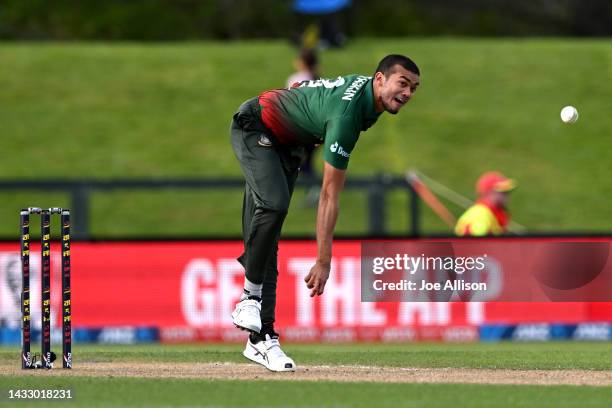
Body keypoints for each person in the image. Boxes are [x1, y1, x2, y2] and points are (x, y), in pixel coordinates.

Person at [230, 54, 420, 371]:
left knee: (269, 234)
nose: (408, 93)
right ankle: (249, 299)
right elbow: (329, 194)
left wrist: (308, 122)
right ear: (379, 79)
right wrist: (323, 259)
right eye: (403, 83)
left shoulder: (369, 102)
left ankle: (261, 340)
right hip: (256, 125)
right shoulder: (349, 115)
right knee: (274, 206)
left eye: (414, 88)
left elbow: (312, 90)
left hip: (288, 144)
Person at [286, 48, 321, 207]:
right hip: (317, 128)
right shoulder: (319, 80)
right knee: (307, 161)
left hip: (302, 128)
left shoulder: (296, 79)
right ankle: (315, 190)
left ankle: (315, 189)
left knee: (300, 162)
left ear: (301, 62)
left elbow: (289, 104)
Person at [455, 171, 516, 236]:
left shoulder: (495, 211)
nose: (506, 195)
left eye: (508, 192)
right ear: (489, 193)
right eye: (503, 192)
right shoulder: (481, 215)